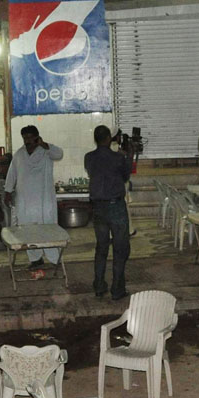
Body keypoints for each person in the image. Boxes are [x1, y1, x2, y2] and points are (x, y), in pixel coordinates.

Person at [3, 125, 64, 276]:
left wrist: (44, 144)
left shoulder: (47, 151)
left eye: (30, 138)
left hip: (44, 201)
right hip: (26, 202)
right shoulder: (19, 154)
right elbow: (12, 174)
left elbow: (59, 154)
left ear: (37, 137)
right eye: (25, 138)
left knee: (48, 229)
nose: (28, 141)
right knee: (28, 230)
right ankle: (36, 260)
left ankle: (54, 259)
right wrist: (8, 191)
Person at [84, 125, 132, 299]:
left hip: (98, 208)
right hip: (116, 207)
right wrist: (129, 154)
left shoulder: (88, 158)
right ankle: (117, 290)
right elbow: (126, 176)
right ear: (108, 139)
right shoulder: (118, 158)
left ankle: (99, 286)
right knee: (120, 249)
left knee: (101, 248)